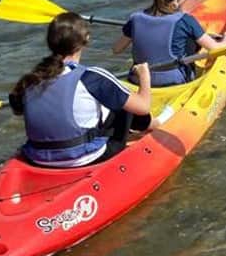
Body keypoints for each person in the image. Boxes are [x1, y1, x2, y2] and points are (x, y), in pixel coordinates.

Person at [9, 12, 154, 168]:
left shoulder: (31, 80)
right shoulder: (92, 76)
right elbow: (143, 106)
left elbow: (19, 109)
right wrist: (144, 75)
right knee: (122, 103)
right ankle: (148, 127)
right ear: (87, 39)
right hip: (83, 157)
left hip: (37, 157)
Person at [112, 0, 226, 87]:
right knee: (190, 41)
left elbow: (116, 49)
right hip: (172, 82)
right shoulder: (185, 20)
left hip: (138, 79)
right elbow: (216, 49)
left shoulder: (135, 18)